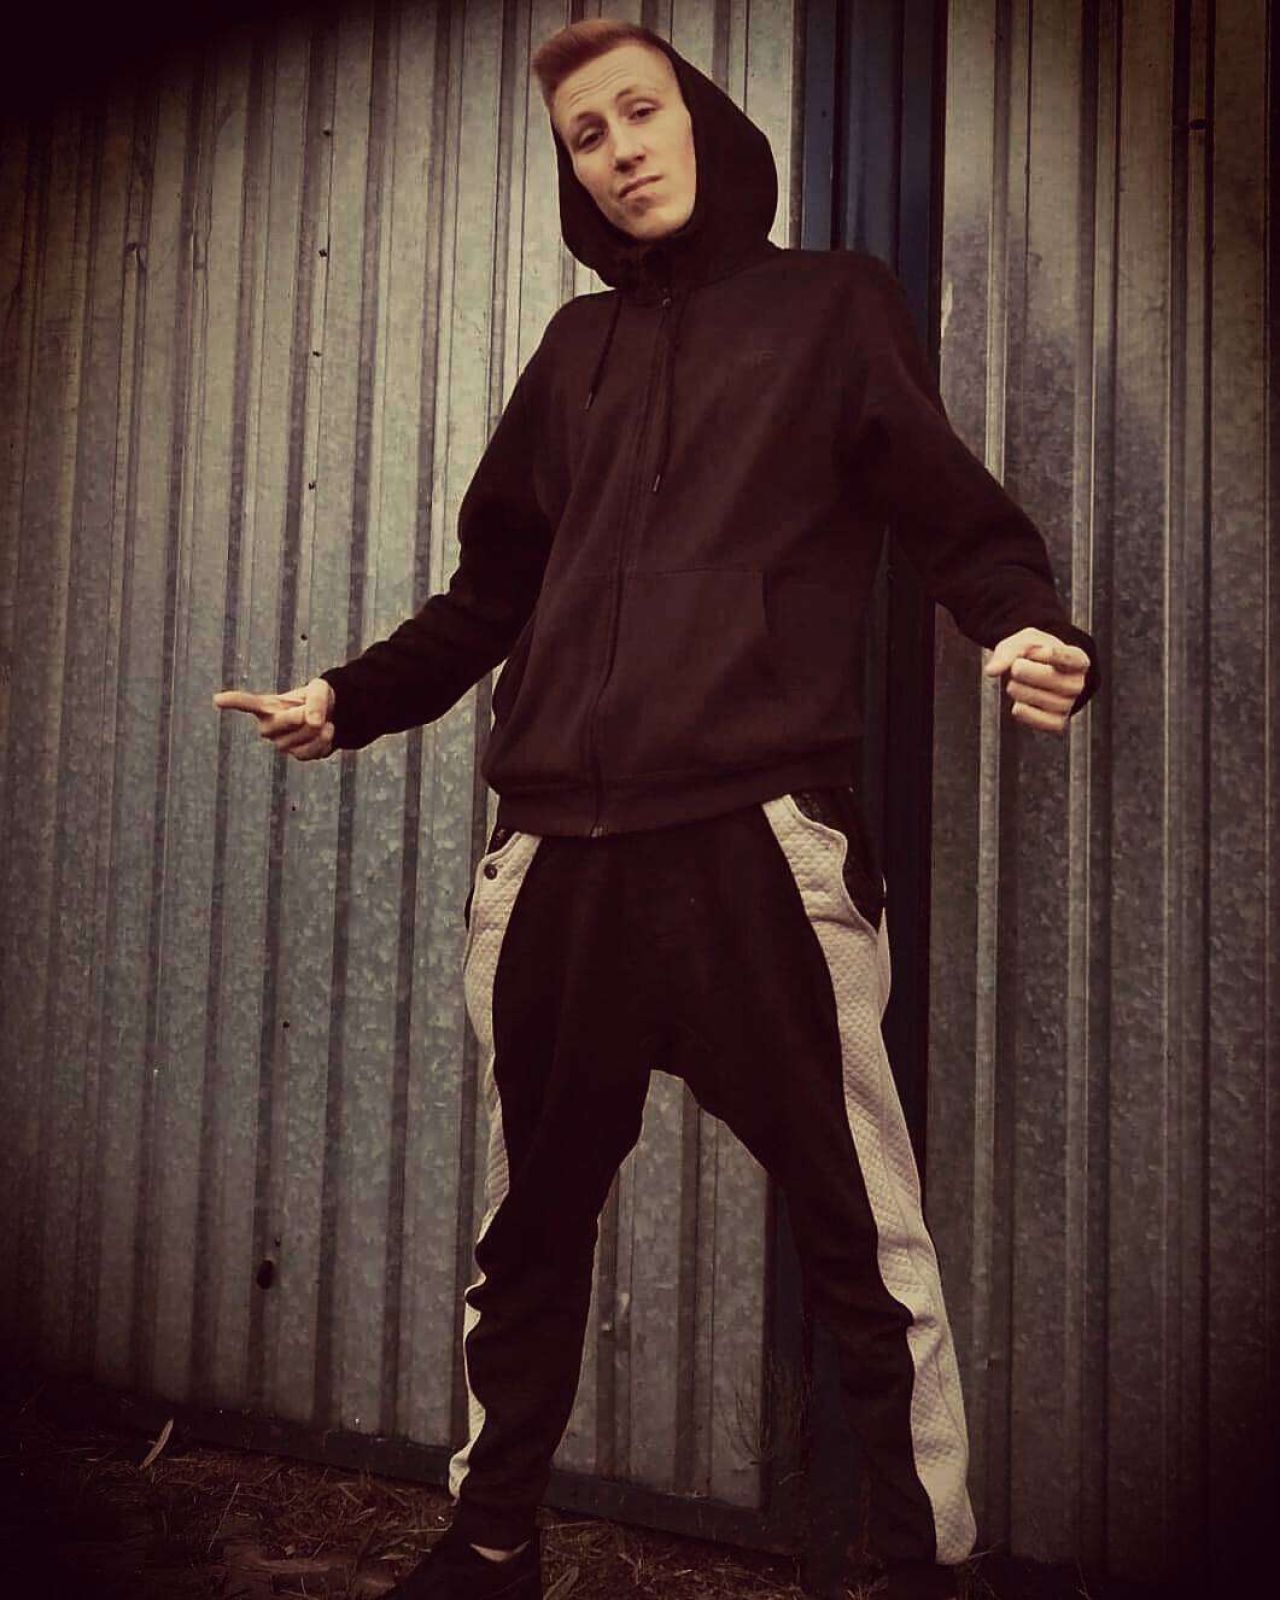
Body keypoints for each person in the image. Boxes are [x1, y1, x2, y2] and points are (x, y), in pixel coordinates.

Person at [215, 18, 1098, 1600]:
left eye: (640, 112)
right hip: (558, 856)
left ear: (699, 119)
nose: (621, 150)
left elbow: (950, 516)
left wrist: (1028, 625)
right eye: (587, 136)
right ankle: (490, 1547)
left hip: (757, 844)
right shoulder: (575, 353)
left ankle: (921, 1569)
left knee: (863, 1236)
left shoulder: (833, 306)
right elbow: (492, 591)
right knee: (529, 1238)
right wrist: (349, 698)